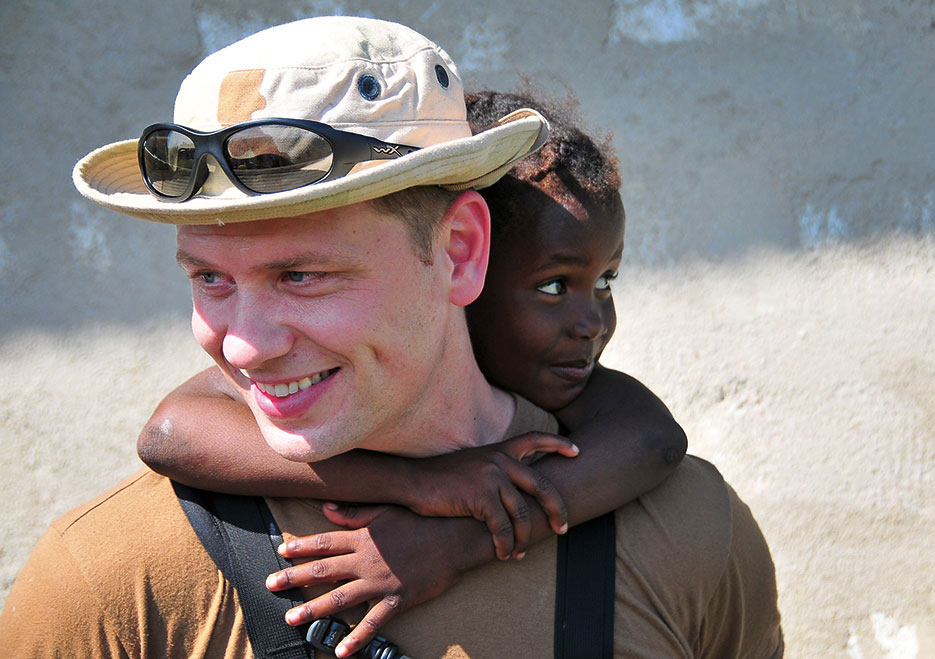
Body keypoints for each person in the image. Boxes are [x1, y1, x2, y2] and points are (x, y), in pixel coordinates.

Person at [0, 16, 783, 658]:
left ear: (459, 251)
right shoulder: (109, 581)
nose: (242, 347)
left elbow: (652, 440)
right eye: (209, 278)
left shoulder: (689, 534)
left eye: (302, 275)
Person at [132, 88, 689, 652]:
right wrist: (425, 485)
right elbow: (168, 434)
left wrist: (451, 540)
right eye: (552, 286)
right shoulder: (129, 559)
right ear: (461, 260)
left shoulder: (608, 426)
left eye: (606, 281)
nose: (591, 321)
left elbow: (654, 441)